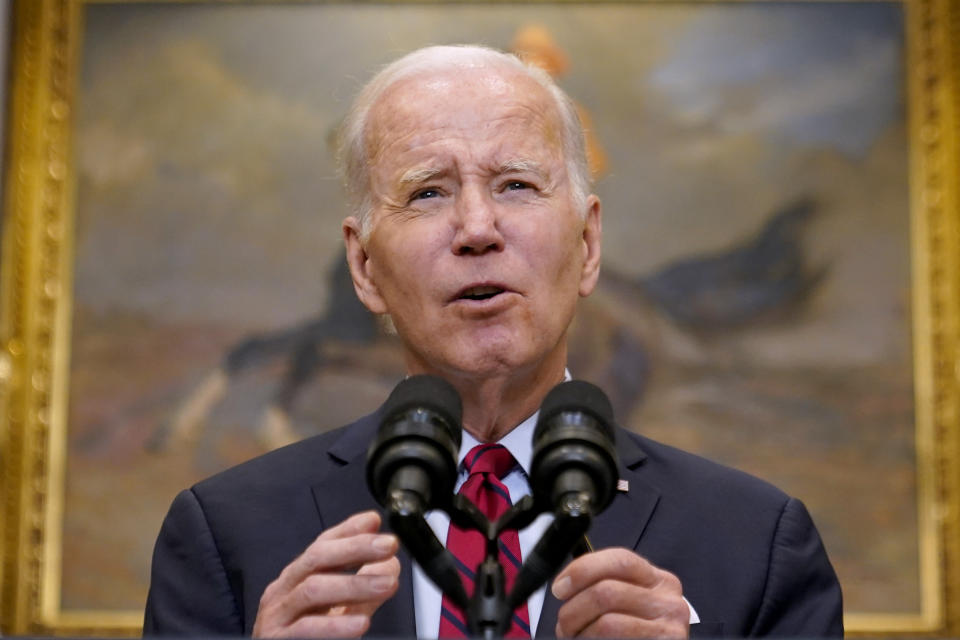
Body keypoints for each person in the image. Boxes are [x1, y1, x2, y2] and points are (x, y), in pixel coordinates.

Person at [143, 44, 843, 638]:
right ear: (364, 267)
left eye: (515, 185)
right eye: (427, 193)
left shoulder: (759, 542)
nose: (478, 228)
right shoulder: (222, 534)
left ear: (588, 245)